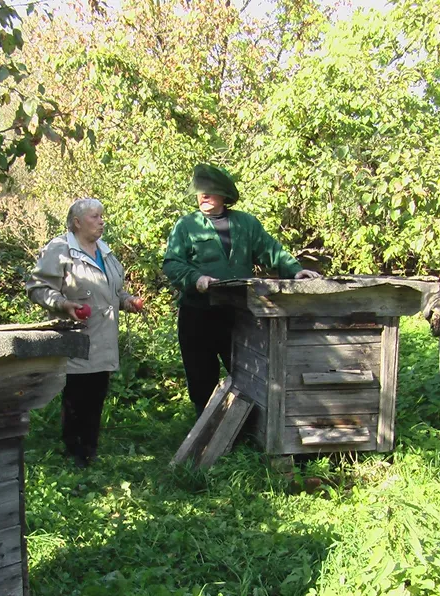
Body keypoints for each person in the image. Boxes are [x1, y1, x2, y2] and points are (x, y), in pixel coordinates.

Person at [163, 164, 320, 418]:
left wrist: (294, 270)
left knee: (249, 372)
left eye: (209, 192)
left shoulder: (245, 223)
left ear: (224, 195)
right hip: (198, 313)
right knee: (201, 375)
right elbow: (172, 263)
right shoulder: (186, 225)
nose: (203, 196)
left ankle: (250, 428)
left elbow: (271, 250)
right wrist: (196, 279)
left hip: (239, 315)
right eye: (200, 192)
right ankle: (204, 430)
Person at [26, 198, 143, 467]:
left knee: (96, 395)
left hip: (103, 338)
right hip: (75, 337)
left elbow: (113, 291)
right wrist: (63, 304)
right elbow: (37, 288)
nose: (102, 221)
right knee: (76, 397)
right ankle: (74, 453)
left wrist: (128, 301)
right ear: (77, 222)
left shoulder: (105, 250)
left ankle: (90, 450)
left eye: (102, 216)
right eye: (95, 216)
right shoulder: (60, 250)